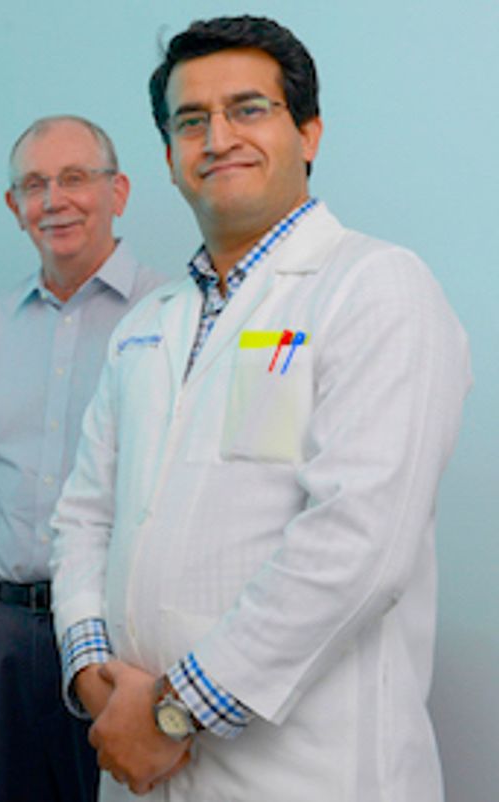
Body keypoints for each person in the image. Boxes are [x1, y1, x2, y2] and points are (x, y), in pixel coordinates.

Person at [51, 15, 470, 801]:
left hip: (306, 772)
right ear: (170, 156)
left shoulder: (376, 287)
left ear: (308, 133)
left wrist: (175, 712)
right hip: (140, 762)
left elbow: (359, 545)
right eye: (190, 120)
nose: (217, 137)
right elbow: (83, 516)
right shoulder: (148, 323)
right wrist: (91, 669)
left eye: (248, 109)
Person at [0, 116, 164, 802]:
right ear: (14, 207)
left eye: (76, 178)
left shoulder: (169, 315)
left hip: (123, 638)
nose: (54, 199)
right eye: (34, 184)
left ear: (118, 191)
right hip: (4, 635)